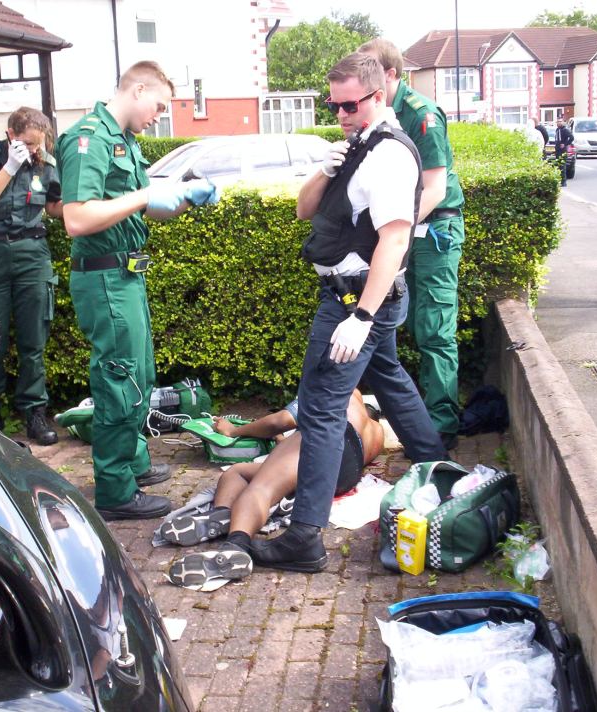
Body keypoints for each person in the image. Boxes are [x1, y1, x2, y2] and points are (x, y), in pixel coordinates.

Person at [250, 53, 447, 574]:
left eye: (349, 104)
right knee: (391, 377)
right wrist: (324, 169)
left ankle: (304, 538)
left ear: (378, 96)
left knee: (319, 406)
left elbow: (396, 238)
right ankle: (436, 464)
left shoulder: (387, 156)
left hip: (355, 300)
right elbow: (303, 208)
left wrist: (360, 317)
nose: (339, 113)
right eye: (332, 104)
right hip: (356, 296)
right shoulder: (358, 145)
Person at [56, 61, 219, 520]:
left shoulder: (124, 142)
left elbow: (144, 209)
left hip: (127, 275)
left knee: (140, 375)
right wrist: (147, 195)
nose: (159, 116)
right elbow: (77, 218)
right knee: (119, 379)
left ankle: (132, 464)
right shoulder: (89, 139)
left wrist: (187, 196)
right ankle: (114, 492)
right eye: (159, 106)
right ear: (138, 88)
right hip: (104, 277)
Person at [359, 38, 466, 451]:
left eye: (371, 72)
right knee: (397, 324)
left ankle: (441, 426)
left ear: (390, 74)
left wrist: (393, 231)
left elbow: (435, 188)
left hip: (435, 232)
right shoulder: (379, 112)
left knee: (435, 330)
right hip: (407, 231)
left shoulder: (422, 115)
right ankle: (420, 418)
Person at [165, 390, 384, 587]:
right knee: (246, 471)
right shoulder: (378, 435)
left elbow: (282, 420)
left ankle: (235, 544)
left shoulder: (347, 392)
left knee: (260, 486)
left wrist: (234, 430)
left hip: (326, 436)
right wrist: (282, 442)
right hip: (346, 474)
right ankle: (223, 516)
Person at [0, 106, 62, 445]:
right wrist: (9, 167)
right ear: (11, 134)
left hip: (32, 252)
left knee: (33, 338)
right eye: (27, 143)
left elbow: (53, 206)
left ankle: (35, 412)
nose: (34, 150)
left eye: (39, 144)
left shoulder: (47, 164)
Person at [554, 118, 574, 187]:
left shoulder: (565, 130)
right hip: (557, 150)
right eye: (558, 122)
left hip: (562, 150)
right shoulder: (557, 130)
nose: (559, 123)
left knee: (562, 166)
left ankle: (563, 182)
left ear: (563, 122)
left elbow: (571, 137)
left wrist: (565, 144)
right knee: (558, 166)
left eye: (560, 122)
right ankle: (559, 181)